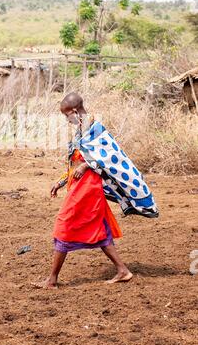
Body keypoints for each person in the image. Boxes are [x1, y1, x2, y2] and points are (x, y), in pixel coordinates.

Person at [34, 92, 158, 289]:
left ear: (74, 111)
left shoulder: (96, 129)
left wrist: (86, 166)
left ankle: (52, 280)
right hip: (79, 187)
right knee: (99, 229)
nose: (67, 120)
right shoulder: (81, 130)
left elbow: (109, 156)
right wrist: (61, 181)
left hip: (88, 189)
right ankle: (122, 270)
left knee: (64, 225)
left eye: (67, 116)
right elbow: (76, 161)